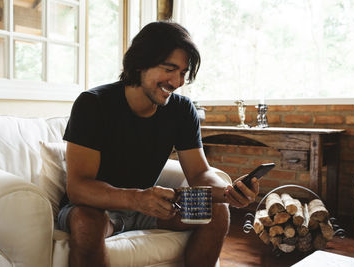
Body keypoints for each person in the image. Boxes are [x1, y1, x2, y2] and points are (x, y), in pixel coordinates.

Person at [58, 21, 259, 267]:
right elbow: (78, 187)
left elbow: (199, 173)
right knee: (86, 222)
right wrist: (137, 199)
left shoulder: (183, 111)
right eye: (169, 69)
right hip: (95, 207)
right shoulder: (93, 104)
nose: (177, 82)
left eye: (183, 72)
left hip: (149, 207)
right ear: (141, 63)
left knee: (217, 211)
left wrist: (228, 193)